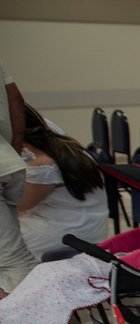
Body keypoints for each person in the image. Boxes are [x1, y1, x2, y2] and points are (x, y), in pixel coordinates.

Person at [18, 104, 108, 261]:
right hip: (83, 225)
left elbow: (19, 205)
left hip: (68, 232)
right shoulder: (63, 145)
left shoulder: (43, 164)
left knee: (7, 245)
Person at [0, 51, 37, 301]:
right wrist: (12, 147)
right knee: (9, 254)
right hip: (4, 161)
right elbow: (15, 97)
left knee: (12, 257)